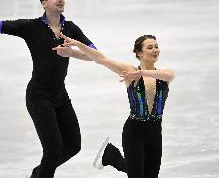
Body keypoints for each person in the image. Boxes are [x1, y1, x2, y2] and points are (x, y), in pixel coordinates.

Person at [0, 0, 97, 177]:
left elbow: (95, 54)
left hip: (60, 95)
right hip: (39, 97)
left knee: (74, 146)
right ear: (44, 3)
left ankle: (37, 174)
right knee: (53, 151)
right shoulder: (31, 27)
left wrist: (72, 52)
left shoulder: (71, 28)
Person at [54, 33, 175, 178]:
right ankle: (111, 155)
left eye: (156, 46)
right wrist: (78, 46)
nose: (155, 50)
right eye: (150, 47)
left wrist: (142, 73)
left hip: (155, 133)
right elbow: (102, 59)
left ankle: (110, 155)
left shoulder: (164, 74)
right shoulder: (129, 71)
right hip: (134, 132)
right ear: (139, 53)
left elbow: (169, 76)